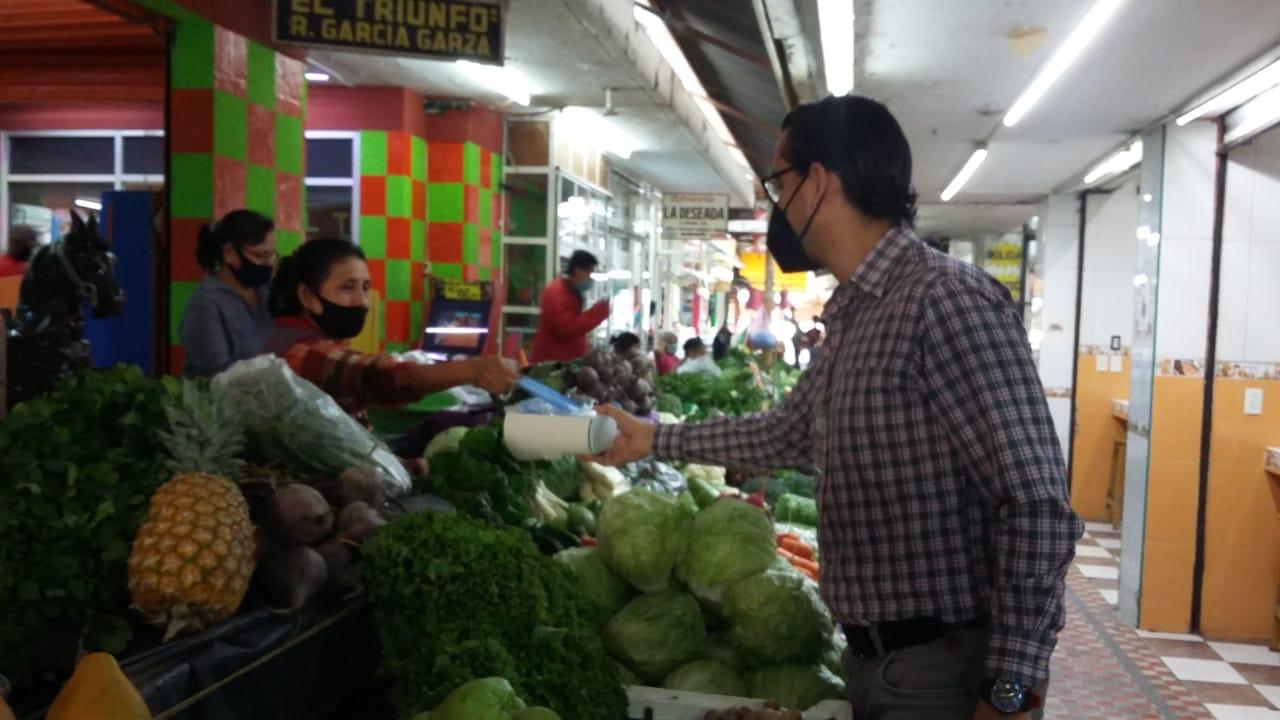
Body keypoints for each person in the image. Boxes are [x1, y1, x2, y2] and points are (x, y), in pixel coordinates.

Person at [591, 95, 1080, 720]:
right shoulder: (855, 314)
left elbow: (1037, 504)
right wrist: (651, 440)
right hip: (876, 666)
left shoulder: (945, 302)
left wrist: (1010, 695)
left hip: (945, 673)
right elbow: (784, 435)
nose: (775, 204)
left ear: (817, 182)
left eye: (778, 182)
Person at [265, 238, 519, 427]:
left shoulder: (316, 342)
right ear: (307, 296)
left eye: (366, 288)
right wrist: (473, 370)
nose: (362, 301)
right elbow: (374, 377)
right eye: (347, 287)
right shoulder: (297, 352)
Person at [178, 210, 278, 377]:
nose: (268, 264)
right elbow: (216, 374)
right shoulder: (205, 305)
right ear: (229, 253)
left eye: (272, 255)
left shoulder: (267, 291)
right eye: (260, 255)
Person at [530, 250, 609, 362]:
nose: (590, 279)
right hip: (552, 363)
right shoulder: (556, 293)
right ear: (578, 271)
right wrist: (596, 314)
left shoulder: (570, 290)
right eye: (589, 274)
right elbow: (565, 328)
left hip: (564, 359)